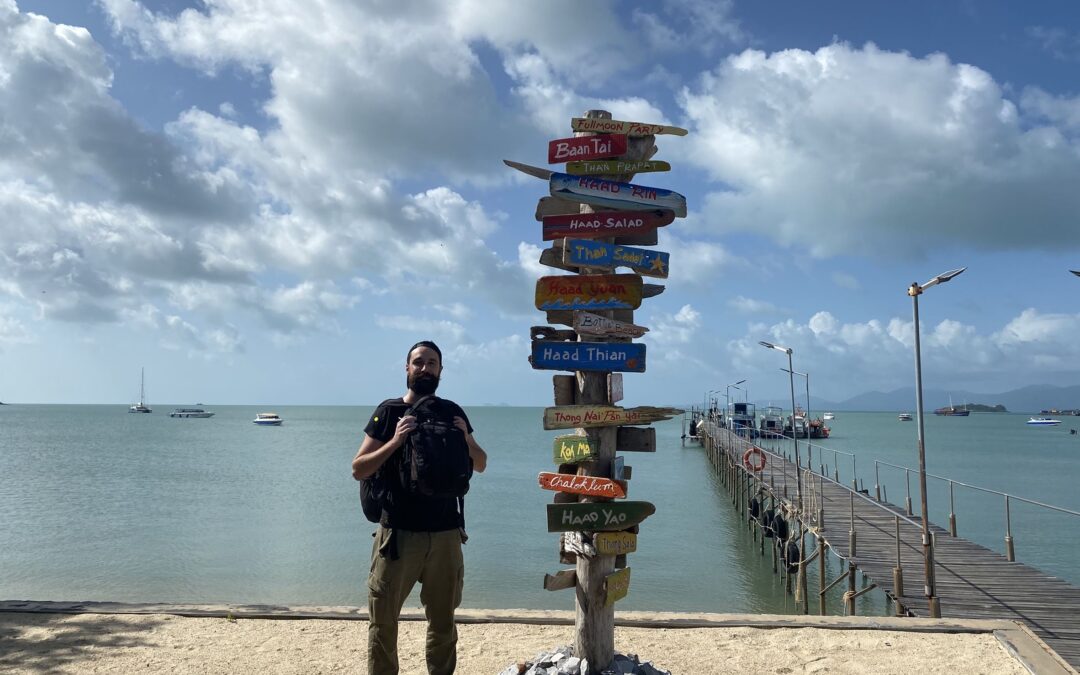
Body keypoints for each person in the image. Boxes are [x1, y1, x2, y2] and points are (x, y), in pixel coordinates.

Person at [351, 340, 487, 675]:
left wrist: (467, 440)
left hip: (446, 535)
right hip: (397, 534)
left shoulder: (453, 411)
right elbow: (359, 468)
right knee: (383, 623)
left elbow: (481, 463)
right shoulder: (389, 411)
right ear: (407, 368)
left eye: (431, 363)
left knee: (443, 623)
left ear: (441, 369)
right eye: (418, 362)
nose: (424, 368)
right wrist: (395, 441)